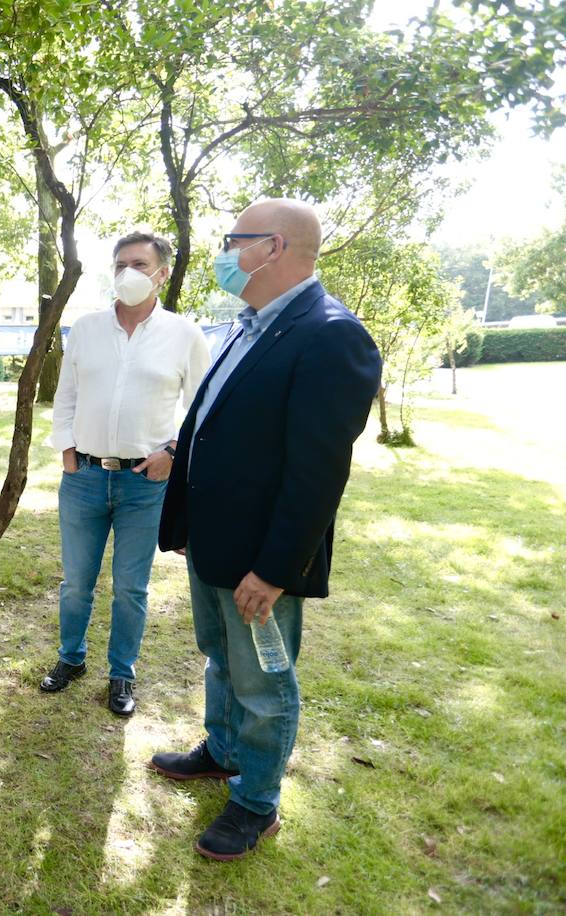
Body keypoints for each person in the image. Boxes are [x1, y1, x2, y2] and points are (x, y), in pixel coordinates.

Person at [150, 198, 380, 861]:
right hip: (213, 541)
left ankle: (256, 801)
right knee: (222, 658)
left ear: (273, 247)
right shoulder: (248, 324)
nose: (225, 253)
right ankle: (223, 752)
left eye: (234, 240)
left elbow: (317, 472)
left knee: (263, 682)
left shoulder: (331, 333)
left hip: (261, 558)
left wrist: (277, 568)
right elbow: (216, 422)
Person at [42, 232, 210, 716]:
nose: (127, 274)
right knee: (76, 582)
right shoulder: (86, 328)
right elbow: (66, 395)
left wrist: (174, 453)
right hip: (85, 478)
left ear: (162, 273)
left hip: (146, 483)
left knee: (131, 587)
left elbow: (201, 407)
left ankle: (121, 674)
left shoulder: (184, 335)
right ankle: (71, 659)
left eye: (139, 264)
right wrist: (68, 451)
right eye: (119, 265)